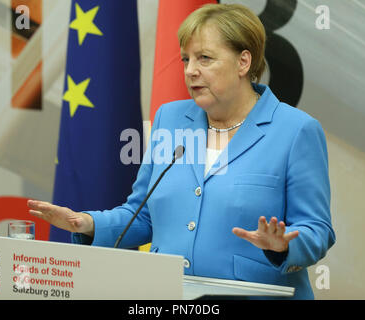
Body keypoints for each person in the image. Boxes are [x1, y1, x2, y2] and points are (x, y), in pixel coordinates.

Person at [28, 3, 335, 299]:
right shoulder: (170, 119)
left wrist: (282, 245)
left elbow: (317, 230)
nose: (190, 71)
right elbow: (143, 215)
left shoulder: (296, 131)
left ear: (243, 62)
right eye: (185, 59)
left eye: (204, 58)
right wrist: (88, 223)